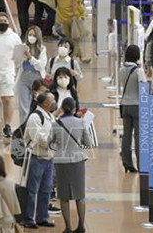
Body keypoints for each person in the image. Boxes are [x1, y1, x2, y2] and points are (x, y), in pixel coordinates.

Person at [50, 96, 93, 233]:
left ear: (62, 109)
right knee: (79, 195)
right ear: (74, 109)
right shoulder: (80, 123)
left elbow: (49, 142)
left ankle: (67, 227)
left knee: (63, 196)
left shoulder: (56, 124)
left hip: (61, 162)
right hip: (77, 161)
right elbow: (88, 143)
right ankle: (81, 226)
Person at [22, 92, 56, 229]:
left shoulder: (50, 116)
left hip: (48, 158)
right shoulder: (35, 117)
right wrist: (53, 142)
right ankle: (29, 218)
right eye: (52, 100)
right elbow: (39, 138)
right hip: (36, 158)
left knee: (46, 189)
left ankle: (42, 217)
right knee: (32, 190)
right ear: (46, 103)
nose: (54, 102)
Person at [15, 26, 48, 126]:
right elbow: (16, 64)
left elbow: (41, 65)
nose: (31, 37)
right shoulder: (22, 47)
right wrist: (21, 58)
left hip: (37, 79)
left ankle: (38, 126)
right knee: (23, 106)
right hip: (23, 77)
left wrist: (30, 58)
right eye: (30, 35)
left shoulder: (42, 49)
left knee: (38, 104)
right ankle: (23, 129)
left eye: (34, 35)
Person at [119, 45, 145, 173]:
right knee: (139, 136)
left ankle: (126, 162)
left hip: (125, 104)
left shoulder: (121, 69)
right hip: (137, 105)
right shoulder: (138, 71)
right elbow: (143, 87)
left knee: (126, 135)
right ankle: (141, 164)